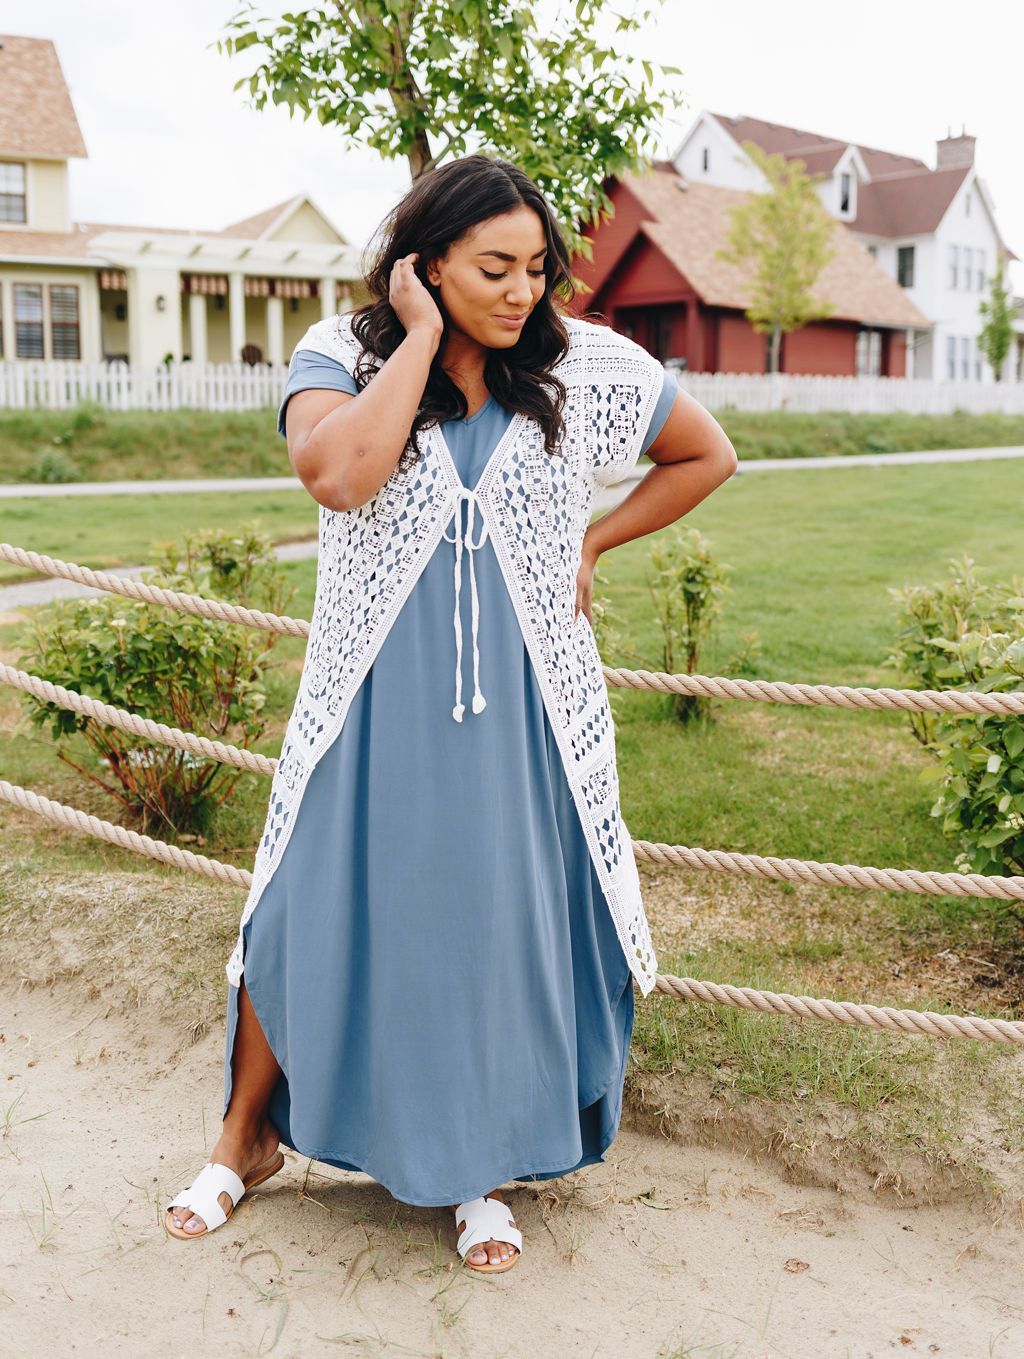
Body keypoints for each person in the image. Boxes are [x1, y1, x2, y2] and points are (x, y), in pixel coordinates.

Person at [164, 154, 737, 1273]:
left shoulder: (581, 367)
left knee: (483, 926)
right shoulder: (341, 353)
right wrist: (424, 339)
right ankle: (245, 1138)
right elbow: (338, 475)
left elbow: (704, 454)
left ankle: (477, 1169)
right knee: (297, 911)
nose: (523, 291)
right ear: (424, 264)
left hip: (521, 707)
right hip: (370, 701)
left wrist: (591, 539)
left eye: (536, 268)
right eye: (494, 268)